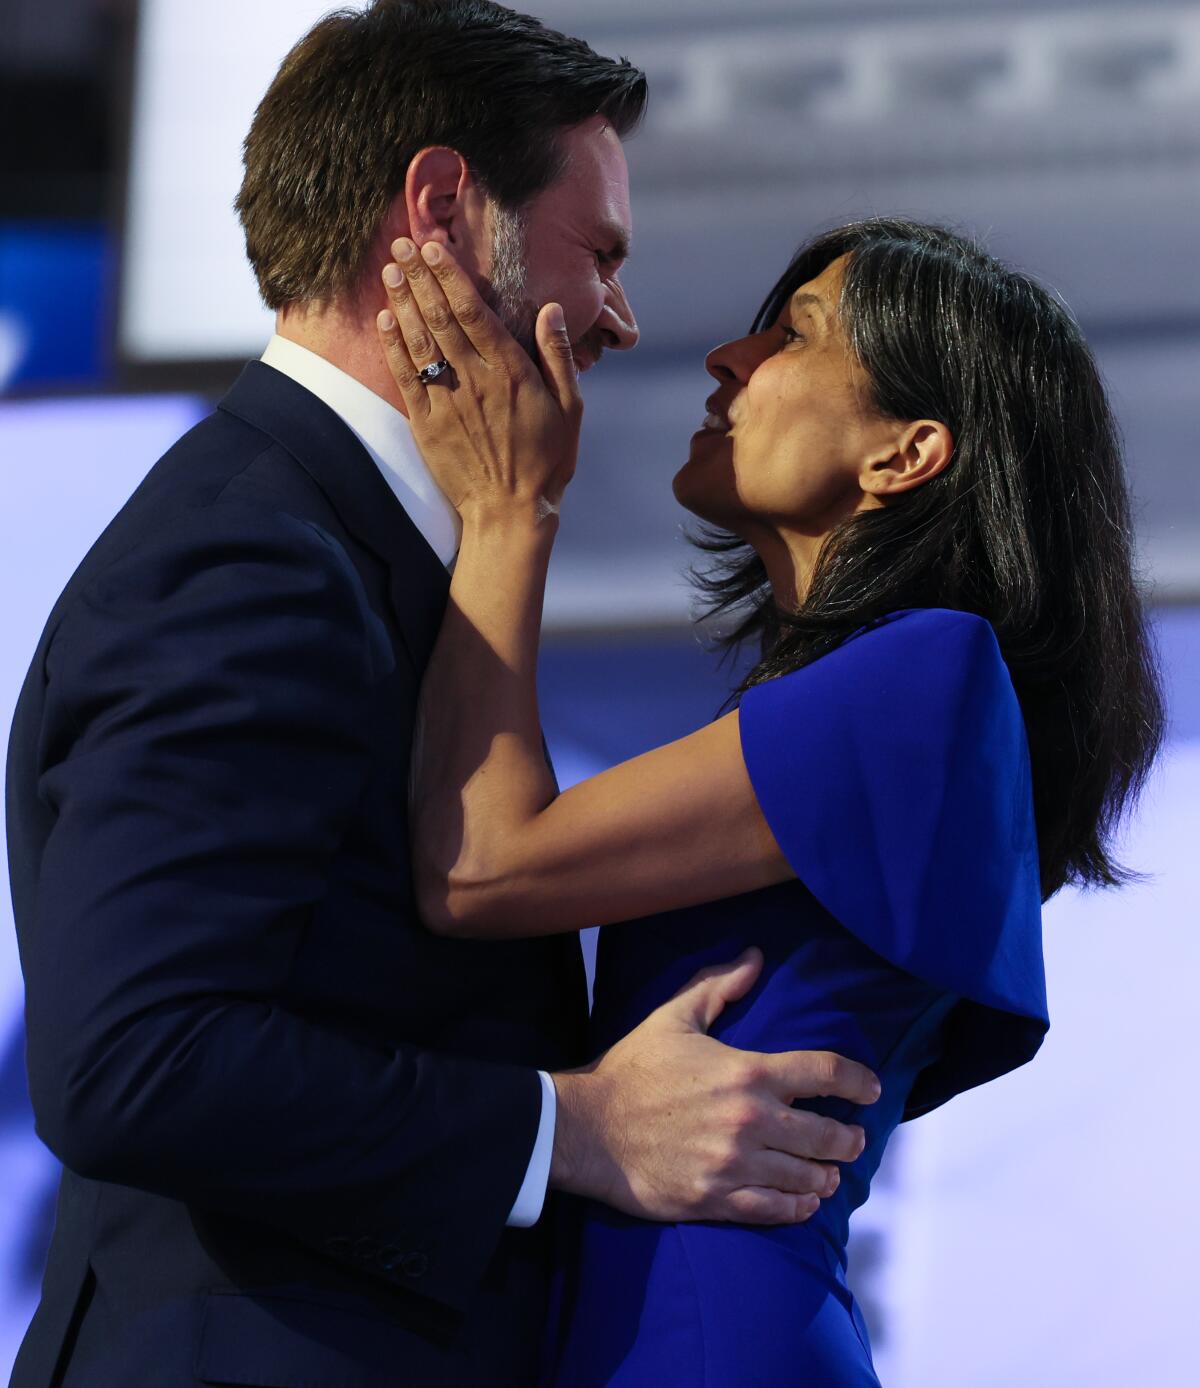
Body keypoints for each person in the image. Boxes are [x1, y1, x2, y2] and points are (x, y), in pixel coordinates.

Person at [4, 4, 880, 1385]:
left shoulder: (334, 536)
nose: (621, 317)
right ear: (439, 207)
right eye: (598, 254)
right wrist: (574, 1130)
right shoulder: (257, 557)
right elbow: (134, 1060)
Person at [373, 215, 1165, 1384]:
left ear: (907, 454)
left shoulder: (928, 670)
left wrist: (507, 511)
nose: (726, 360)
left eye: (792, 336)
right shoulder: (887, 696)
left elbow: (481, 864)